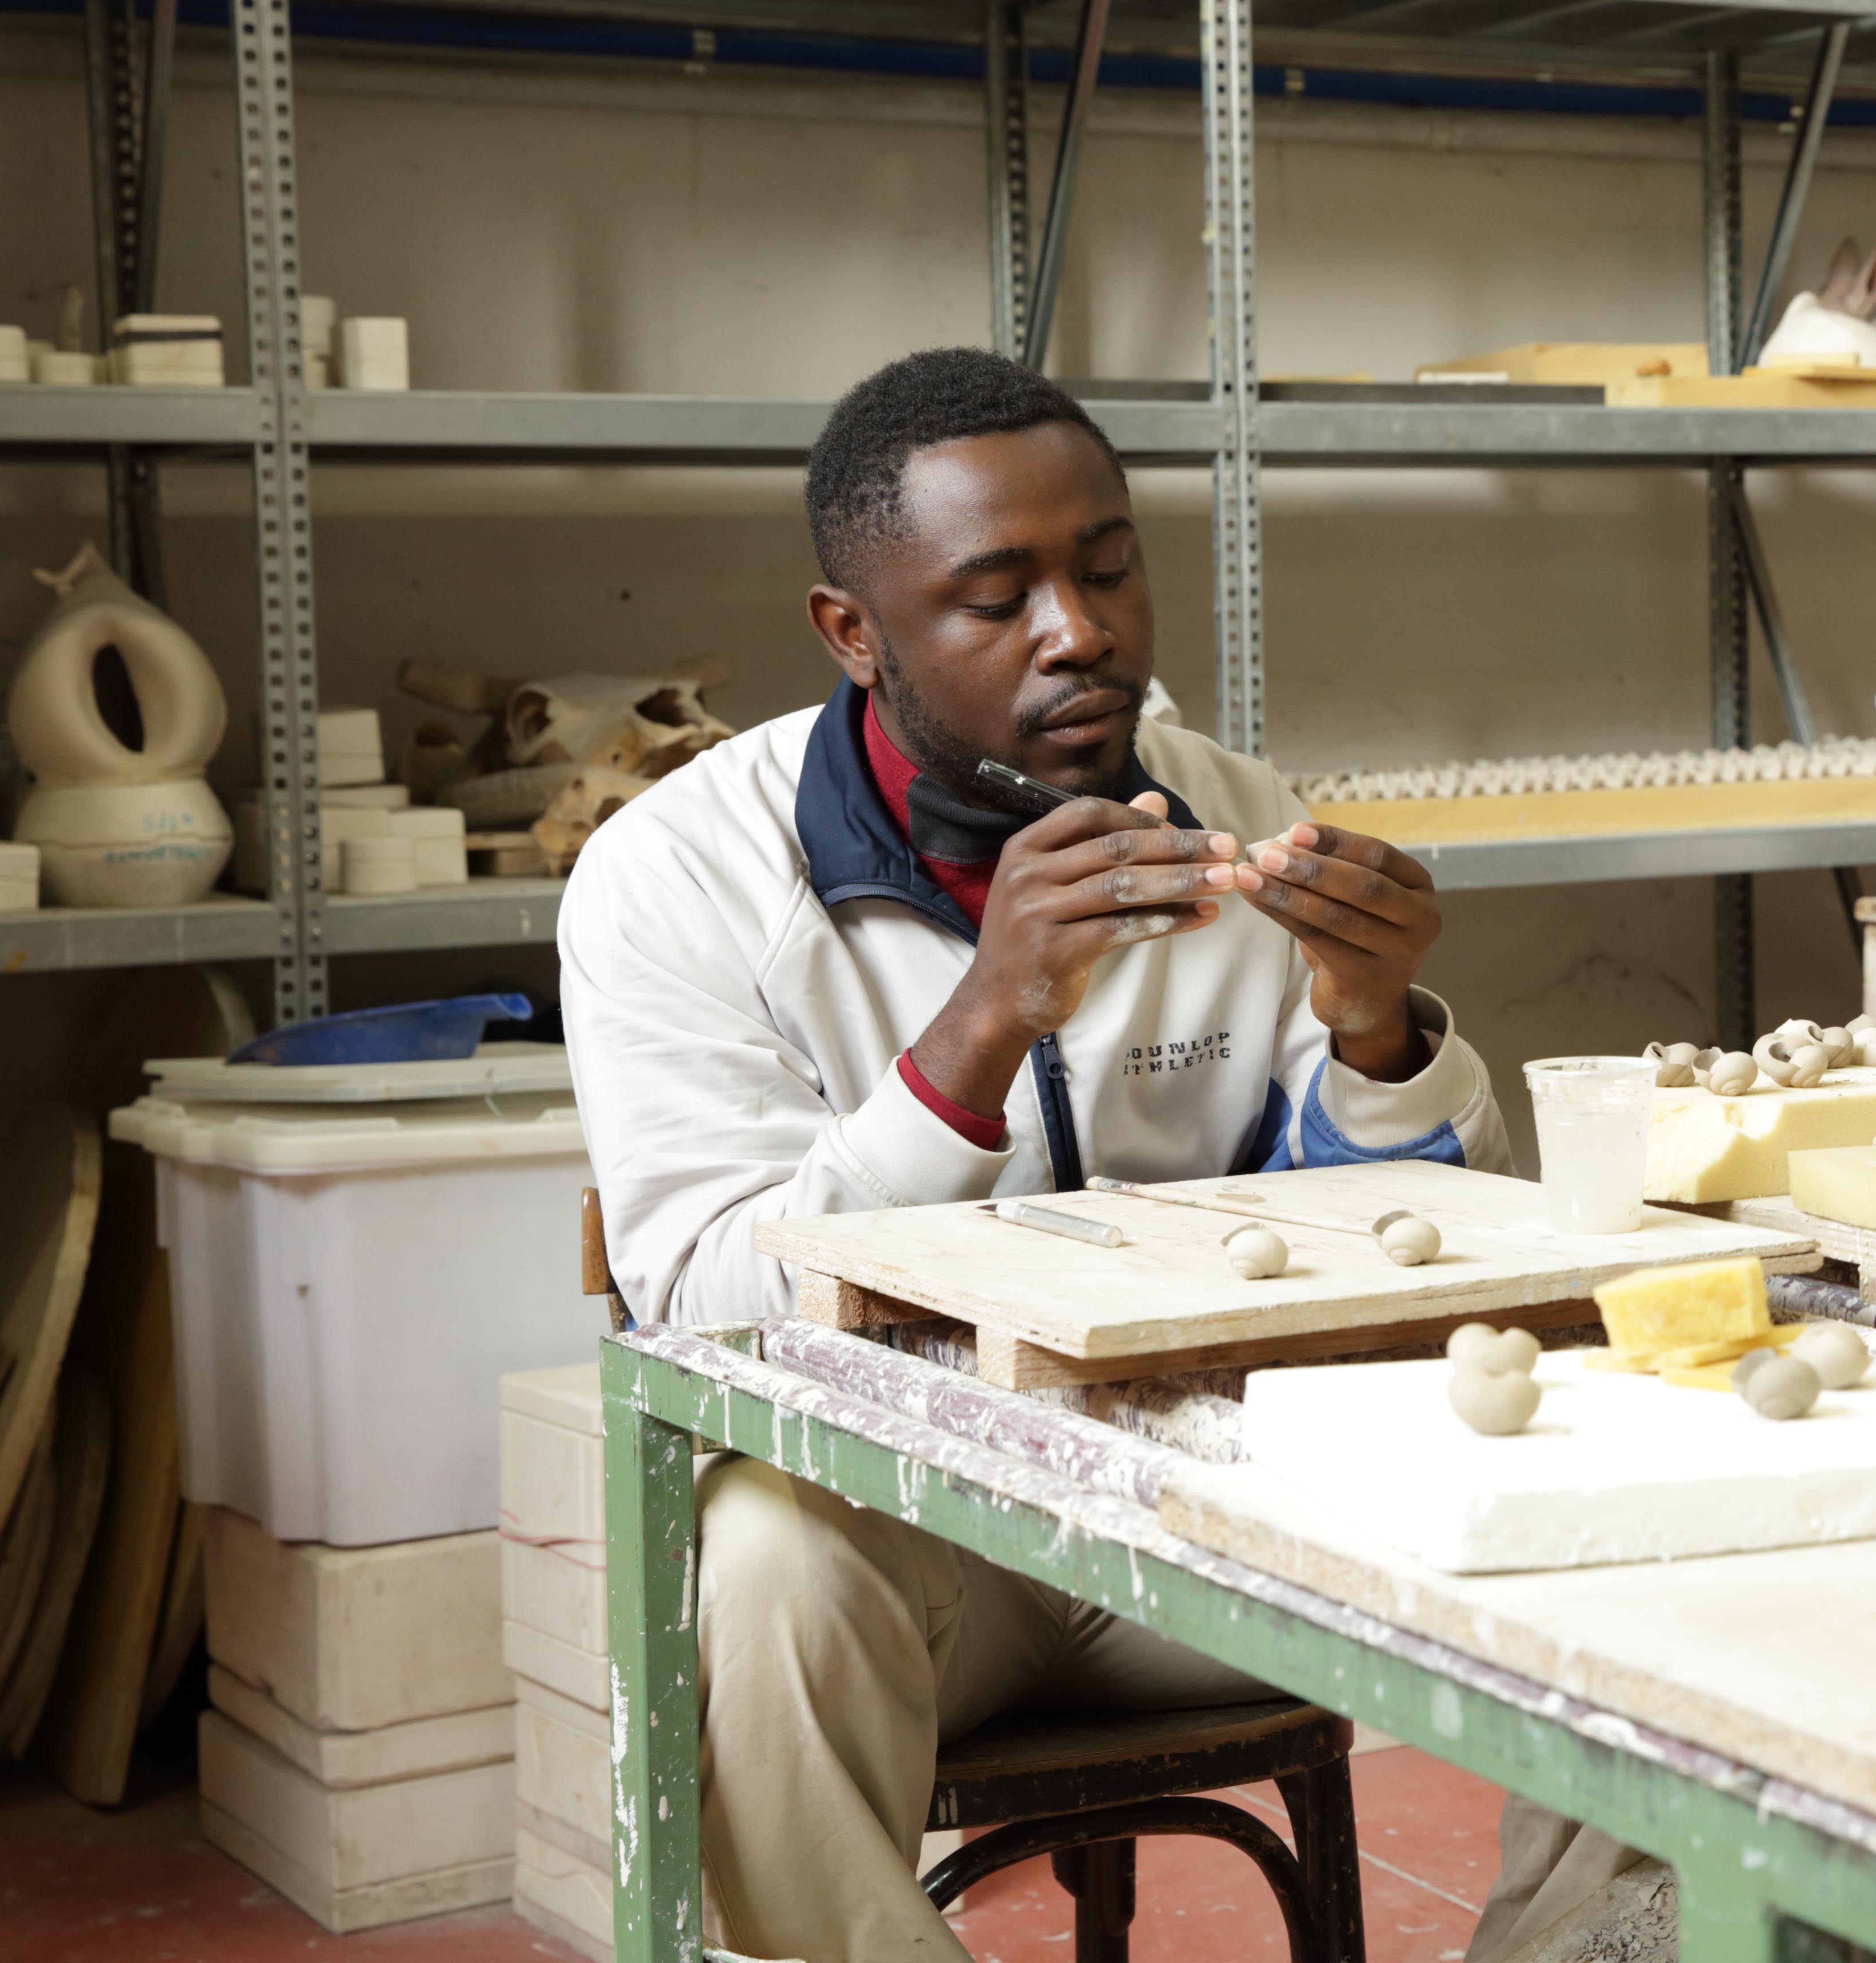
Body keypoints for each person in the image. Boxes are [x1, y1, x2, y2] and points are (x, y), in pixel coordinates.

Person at [560, 347, 1567, 1959]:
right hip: (921, 1545)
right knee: (760, 1568)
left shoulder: (1234, 811)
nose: (1080, 634)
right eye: (994, 597)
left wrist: (1377, 1031)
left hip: (1227, 1518)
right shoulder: (676, 876)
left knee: (1616, 1528)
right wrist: (979, 1023)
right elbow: (696, 1304)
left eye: (1107, 570)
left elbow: (1427, 1243)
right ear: (852, 631)